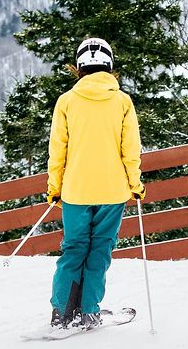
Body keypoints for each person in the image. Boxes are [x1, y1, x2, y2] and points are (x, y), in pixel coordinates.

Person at [47, 35, 143, 331]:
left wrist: (54, 188)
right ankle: (89, 311)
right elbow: (131, 150)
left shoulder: (66, 102)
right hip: (112, 191)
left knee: (74, 248)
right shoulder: (123, 102)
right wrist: (135, 184)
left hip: (75, 191)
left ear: (79, 66)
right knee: (100, 249)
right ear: (110, 65)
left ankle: (62, 312)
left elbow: (57, 150)